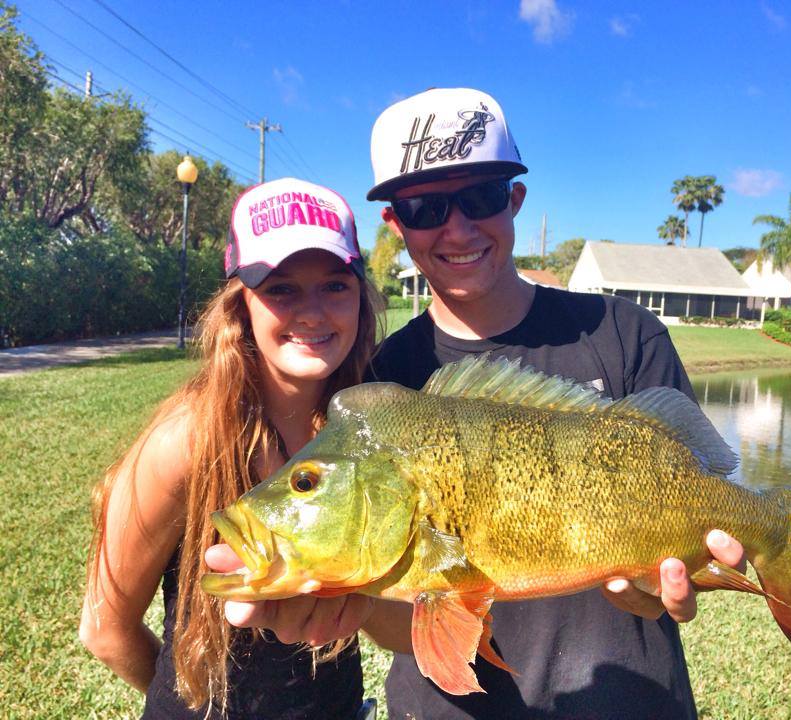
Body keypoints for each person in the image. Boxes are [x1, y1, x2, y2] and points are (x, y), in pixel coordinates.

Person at [209, 89, 746, 719]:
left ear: (515, 199)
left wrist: (676, 581)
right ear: (396, 224)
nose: (458, 228)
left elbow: (698, 491)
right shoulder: (383, 384)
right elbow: (399, 616)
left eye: (482, 198)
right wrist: (351, 603)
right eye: (426, 207)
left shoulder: (623, 334)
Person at [79, 178, 380, 719]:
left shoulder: (363, 426)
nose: (312, 313)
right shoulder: (187, 440)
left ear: (361, 296)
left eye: (336, 285)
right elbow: (104, 629)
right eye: (282, 289)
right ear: (241, 305)